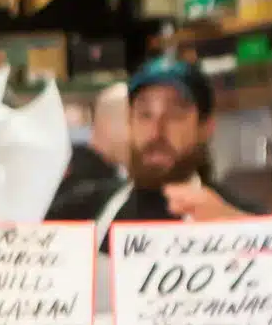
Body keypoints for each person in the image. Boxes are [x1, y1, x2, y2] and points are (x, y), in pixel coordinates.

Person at [45, 56, 255, 247]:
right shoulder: (83, 211)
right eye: (145, 114)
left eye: (174, 114)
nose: (157, 130)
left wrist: (241, 233)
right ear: (129, 122)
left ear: (206, 127)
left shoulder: (235, 217)